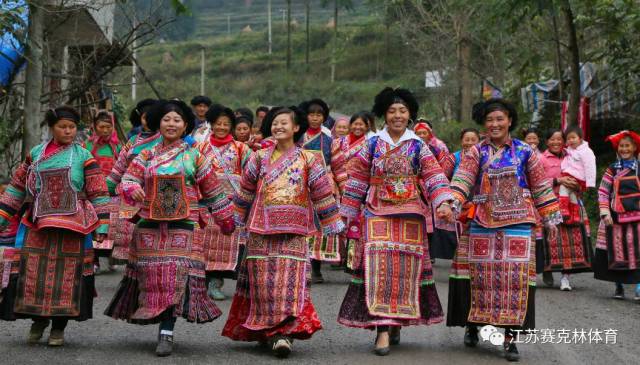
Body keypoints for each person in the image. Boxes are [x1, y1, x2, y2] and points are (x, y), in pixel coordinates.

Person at [104, 99, 235, 357]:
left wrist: (227, 221)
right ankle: (155, 316)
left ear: (185, 125)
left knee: (176, 275)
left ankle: (167, 330)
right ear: (158, 123)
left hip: (184, 225)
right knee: (153, 277)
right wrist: (132, 188)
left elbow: (213, 191)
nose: (171, 124)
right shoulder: (145, 154)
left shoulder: (195, 155)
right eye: (166, 119)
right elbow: (128, 178)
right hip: (149, 226)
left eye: (177, 120)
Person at [338, 87, 453, 356]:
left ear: (410, 114)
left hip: (411, 216)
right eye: (392, 111)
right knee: (379, 270)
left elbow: (434, 176)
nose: (397, 115)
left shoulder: (418, 145)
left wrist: (444, 203)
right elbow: (357, 180)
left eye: (402, 111)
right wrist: (345, 215)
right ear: (384, 115)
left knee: (404, 273)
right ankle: (382, 329)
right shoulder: (373, 143)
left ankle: (396, 322)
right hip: (377, 213)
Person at [222, 106, 344, 358]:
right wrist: (233, 218)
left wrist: (332, 223)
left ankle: (283, 333)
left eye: (284, 123)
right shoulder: (258, 158)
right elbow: (245, 191)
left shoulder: (309, 159)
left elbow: (321, 192)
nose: (278, 127)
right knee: (263, 284)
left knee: (290, 283)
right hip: (260, 230)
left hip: (295, 231)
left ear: (296, 127)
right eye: (275, 123)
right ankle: (265, 330)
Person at [447, 98, 560, 362]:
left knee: (516, 281)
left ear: (510, 121)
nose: (495, 124)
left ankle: (510, 339)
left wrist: (551, 217)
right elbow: (463, 178)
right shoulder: (476, 152)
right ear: (484, 124)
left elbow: (541, 185)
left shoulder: (525, 152)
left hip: (519, 223)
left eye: (500, 119)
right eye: (490, 120)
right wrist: (452, 201)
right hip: (482, 221)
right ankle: (472, 326)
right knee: (475, 277)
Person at [0, 106, 110, 346]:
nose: (68, 131)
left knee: (68, 276)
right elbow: (18, 187)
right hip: (37, 223)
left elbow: (99, 191)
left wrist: (102, 225)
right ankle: (38, 319)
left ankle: (59, 327)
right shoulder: (36, 154)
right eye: (63, 127)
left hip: (74, 226)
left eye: (72, 127)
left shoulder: (83, 156)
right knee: (33, 272)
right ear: (52, 128)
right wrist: (3, 216)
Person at [201, 104, 252, 301]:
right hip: (206, 203)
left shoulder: (242, 149)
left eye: (226, 124)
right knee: (205, 244)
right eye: (218, 123)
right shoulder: (201, 148)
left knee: (226, 245)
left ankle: (216, 282)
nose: (221, 127)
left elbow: (252, 173)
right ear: (211, 125)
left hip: (232, 204)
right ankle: (202, 282)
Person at [538, 129, 593, 291]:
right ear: (547, 142)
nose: (556, 142)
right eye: (552, 140)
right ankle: (547, 270)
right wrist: (557, 180)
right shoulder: (541, 159)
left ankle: (565, 278)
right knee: (553, 242)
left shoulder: (573, 155)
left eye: (559, 139)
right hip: (551, 204)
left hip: (573, 203)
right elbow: (535, 183)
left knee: (571, 241)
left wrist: (579, 184)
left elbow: (583, 173)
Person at [106, 99, 160, 262]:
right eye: (145, 117)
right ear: (139, 118)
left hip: (156, 195)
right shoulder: (133, 141)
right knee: (129, 240)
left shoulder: (165, 140)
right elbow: (120, 166)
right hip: (132, 194)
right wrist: (105, 188)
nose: (149, 122)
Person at [594, 130, 640, 301]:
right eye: (621, 146)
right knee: (615, 251)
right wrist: (605, 212)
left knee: (638, 251)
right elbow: (603, 191)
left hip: (638, 217)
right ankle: (618, 286)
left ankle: (638, 287)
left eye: (628, 146)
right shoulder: (612, 169)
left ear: (634, 148)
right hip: (615, 216)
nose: (624, 149)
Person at [298, 98, 338, 282]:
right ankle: (300, 265)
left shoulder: (329, 138)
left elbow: (336, 163)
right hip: (298, 183)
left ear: (324, 117)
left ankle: (316, 268)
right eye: (311, 114)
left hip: (322, 185)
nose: (315, 118)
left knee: (319, 225)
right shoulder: (298, 135)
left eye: (319, 114)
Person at [331, 111, 372, 270]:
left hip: (361, 188)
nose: (358, 127)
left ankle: (351, 260)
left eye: (361, 124)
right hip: (340, 185)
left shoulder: (370, 143)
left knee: (356, 224)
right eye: (355, 123)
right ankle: (337, 256)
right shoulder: (339, 143)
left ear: (367, 126)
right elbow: (335, 163)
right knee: (339, 221)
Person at [83, 111, 122, 272]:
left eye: (108, 127)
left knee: (113, 226)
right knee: (95, 224)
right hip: (93, 194)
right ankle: (95, 260)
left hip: (113, 194)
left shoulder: (118, 147)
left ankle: (112, 257)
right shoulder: (87, 146)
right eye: (102, 127)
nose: (105, 130)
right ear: (95, 127)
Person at [558, 126, 596, 226]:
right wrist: (563, 170)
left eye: (573, 137)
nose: (571, 140)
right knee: (572, 195)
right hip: (570, 175)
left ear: (580, 138)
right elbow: (566, 162)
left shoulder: (586, 151)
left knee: (563, 188)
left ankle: (563, 209)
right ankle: (575, 216)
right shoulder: (569, 151)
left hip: (578, 178)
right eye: (568, 138)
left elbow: (590, 167)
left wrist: (590, 183)